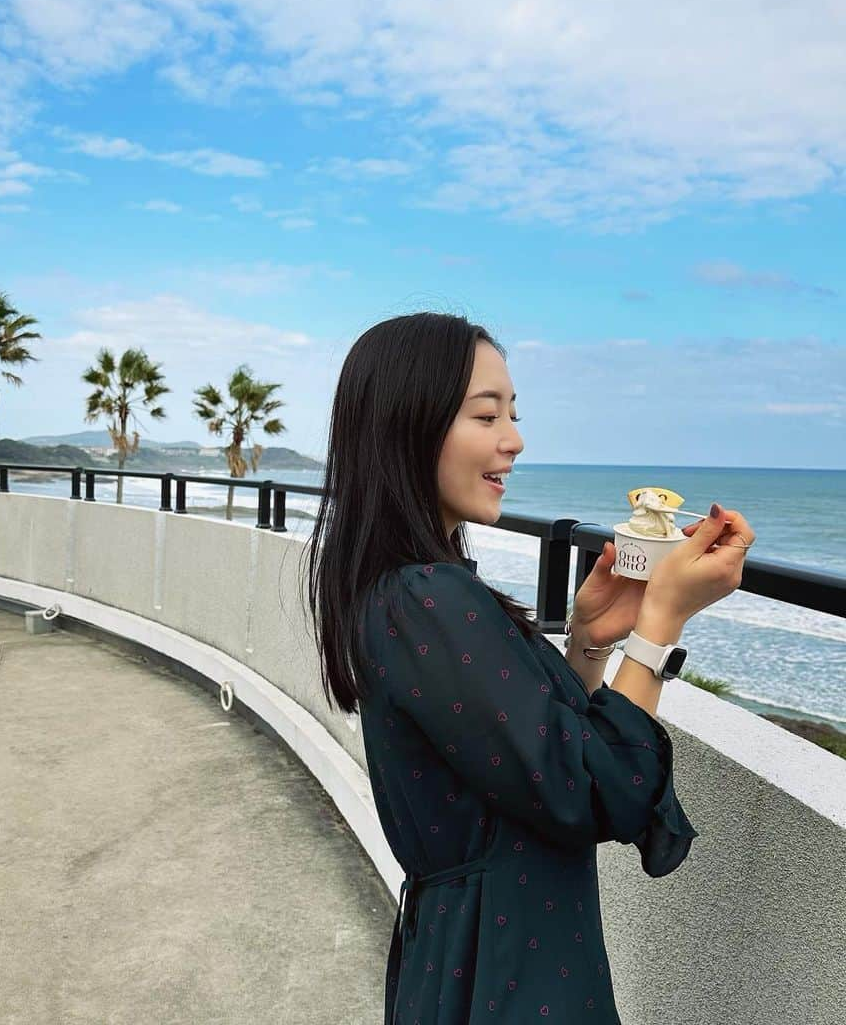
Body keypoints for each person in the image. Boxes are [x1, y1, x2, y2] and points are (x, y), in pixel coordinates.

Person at [300, 312, 755, 1024]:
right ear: (408, 425)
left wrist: (591, 642)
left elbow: (518, 759)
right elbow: (598, 790)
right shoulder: (428, 597)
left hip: (470, 953)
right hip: (505, 973)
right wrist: (659, 626)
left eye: (512, 413)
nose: (514, 438)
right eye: (487, 415)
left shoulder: (404, 589)